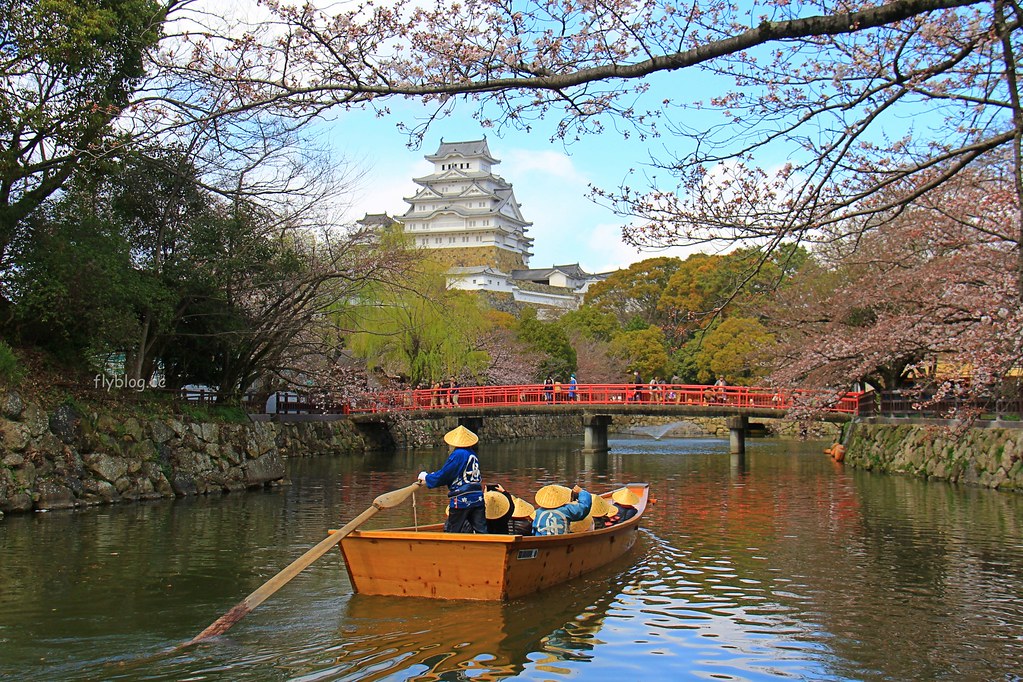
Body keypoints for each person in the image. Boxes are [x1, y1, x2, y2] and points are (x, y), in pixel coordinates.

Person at [418, 425, 486, 533]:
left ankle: (450, 548)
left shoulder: (458, 454)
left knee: (452, 529)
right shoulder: (472, 454)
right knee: (481, 530)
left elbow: (446, 474)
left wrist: (427, 477)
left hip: (462, 497)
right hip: (477, 497)